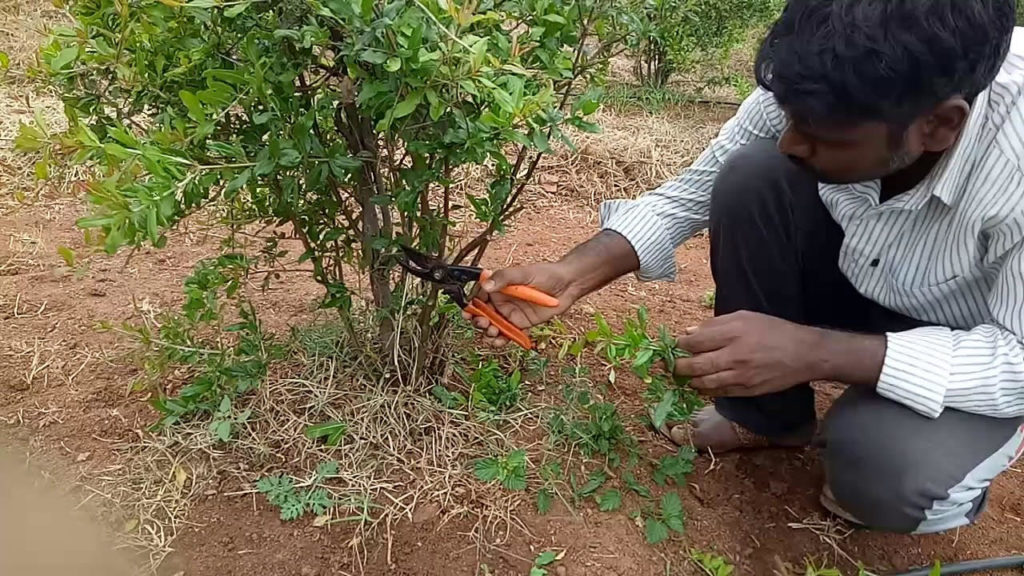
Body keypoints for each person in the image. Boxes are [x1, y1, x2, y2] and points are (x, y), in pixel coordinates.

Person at [467, 0, 1024, 535]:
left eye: (822, 135)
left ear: (940, 125)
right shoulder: (823, 80)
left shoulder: (1012, 154)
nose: (791, 140)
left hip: (976, 337)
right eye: (788, 115)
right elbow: (694, 191)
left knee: (885, 474)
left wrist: (818, 351)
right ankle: (770, 417)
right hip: (862, 274)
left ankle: (953, 451)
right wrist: (571, 274)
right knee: (752, 173)